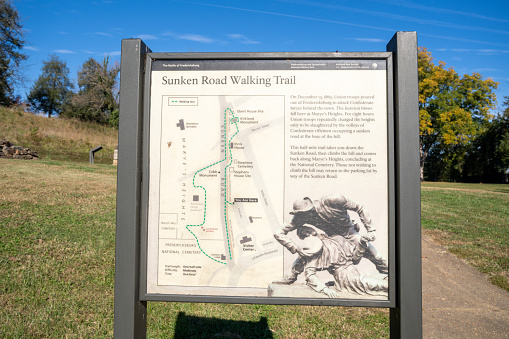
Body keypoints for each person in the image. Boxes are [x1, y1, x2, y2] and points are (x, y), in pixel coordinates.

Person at [273, 194, 388, 285]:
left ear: (311, 209)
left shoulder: (333, 200)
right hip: (332, 239)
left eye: (304, 214)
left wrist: (371, 229)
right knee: (310, 251)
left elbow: (359, 207)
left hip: (350, 234)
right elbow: (278, 233)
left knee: (376, 256)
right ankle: (292, 276)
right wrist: (296, 248)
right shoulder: (301, 217)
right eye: (301, 215)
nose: (303, 218)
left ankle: (390, 278)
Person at [289, 225, 388, 298]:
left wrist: (362, 243)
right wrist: (325, 289)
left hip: (357, 273)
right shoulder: (315, 250)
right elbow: (309, 274)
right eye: (304, 233)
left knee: (387, 278)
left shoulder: (336, 238)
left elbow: (355, 260)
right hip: (347, 279)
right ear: (305, 236)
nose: (307, 232)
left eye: (306, 229)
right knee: (388, 286)